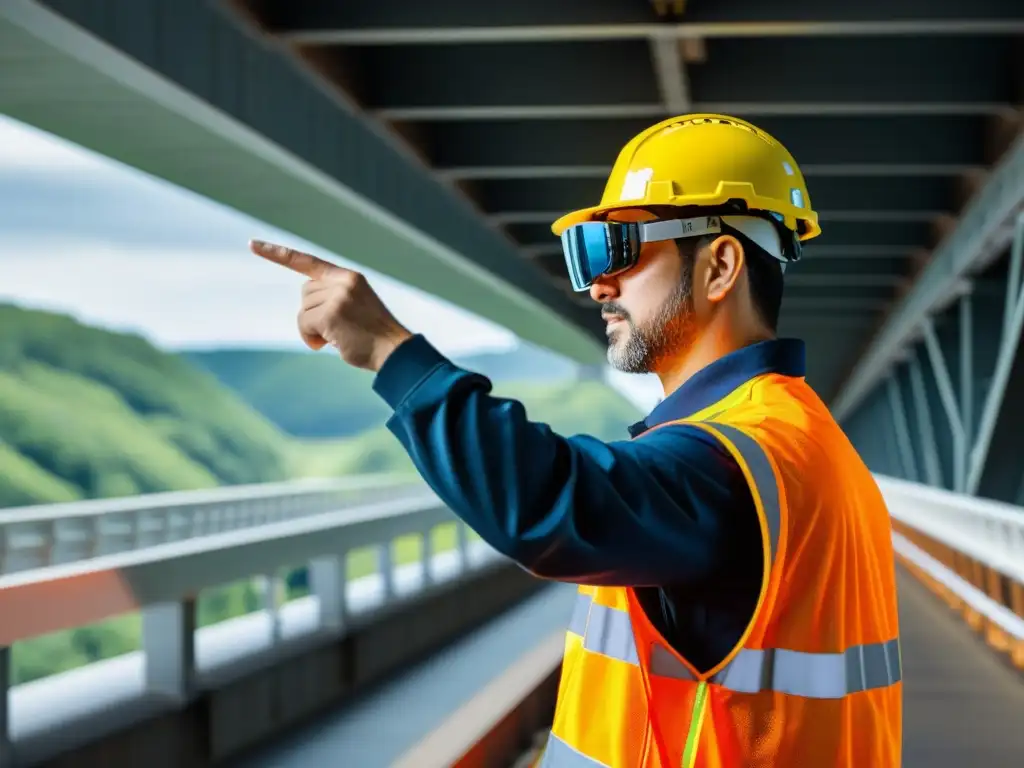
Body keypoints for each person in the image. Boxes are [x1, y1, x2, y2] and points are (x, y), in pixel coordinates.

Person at [251, 113, 902, 767]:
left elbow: (548, 502)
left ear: (720, 266)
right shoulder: (810, 442)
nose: (597, 285)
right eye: (586, 255)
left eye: (617, 248)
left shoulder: (734, 459)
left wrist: (393, 355)